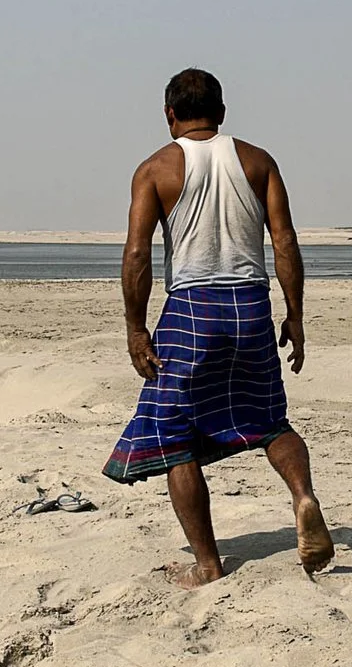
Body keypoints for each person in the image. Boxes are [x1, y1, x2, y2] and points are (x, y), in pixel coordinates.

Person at [103, 68, 333, 585]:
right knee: (270, 419)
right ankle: (303, 496)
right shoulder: (257, 161)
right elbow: (285, 242)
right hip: (250, 303)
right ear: (223, 112)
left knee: (176, 435)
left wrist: (135, 328)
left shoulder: (155, 170)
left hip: (191, 308)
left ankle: (208, 565)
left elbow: (138, 252)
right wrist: (293, 314)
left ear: (169, 115)